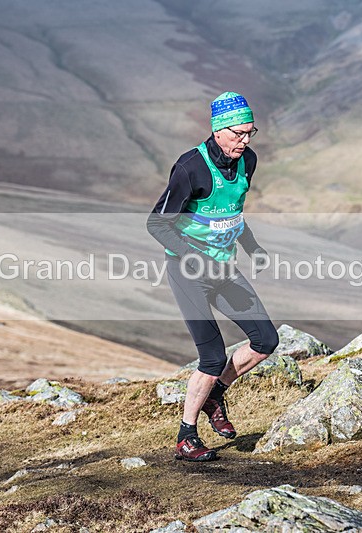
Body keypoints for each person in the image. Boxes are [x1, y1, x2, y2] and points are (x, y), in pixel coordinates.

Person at [146, 91, 279, 462]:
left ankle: (217, 393)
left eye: (251, 132)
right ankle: (186, 437)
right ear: (219, 131)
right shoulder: (191, 167)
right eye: (239, 133)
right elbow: (157, 223)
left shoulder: (247, 161)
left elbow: (232, 212)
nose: (246, 141)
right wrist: (194, 257)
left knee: (266, 340)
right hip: (189, 272)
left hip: (224, 267)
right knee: (211, 355)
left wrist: (252, 247)